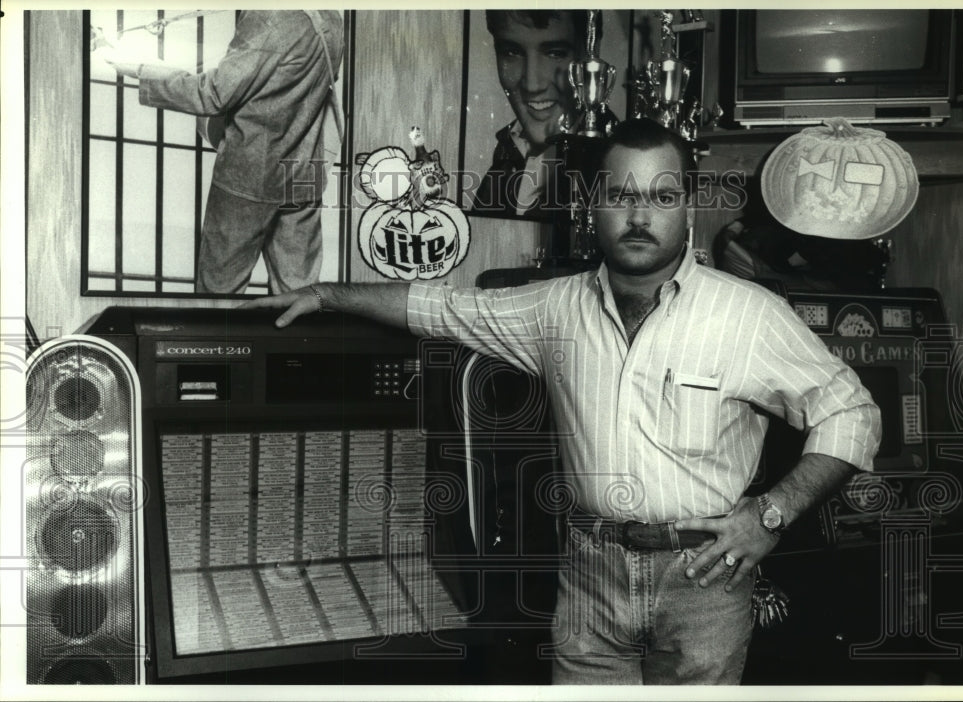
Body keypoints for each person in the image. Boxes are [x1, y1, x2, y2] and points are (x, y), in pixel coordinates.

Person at [244, 118, 881, 685]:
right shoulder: (555, 307)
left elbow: (851, 412)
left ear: (688, 207)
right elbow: (437, 307)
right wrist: (328, 294)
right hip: (588, 576)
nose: (640, 215)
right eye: (620, 195)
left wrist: (770, 515)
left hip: (705, 580)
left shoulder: (748, 316)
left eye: (661, 197)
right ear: (591, 205)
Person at [104, 11, 344, 294]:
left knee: (218, 295)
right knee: (298, 296)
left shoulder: (269, 19)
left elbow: (214, 94)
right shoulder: (331, 18)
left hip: (249, 178)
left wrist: (140, 69)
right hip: (304, 175)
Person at [471, 10, 594, 217]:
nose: (532, 85)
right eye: (512, 52)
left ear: (591, 50)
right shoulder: (507, 150)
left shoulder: (613, 161)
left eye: (555, 53)